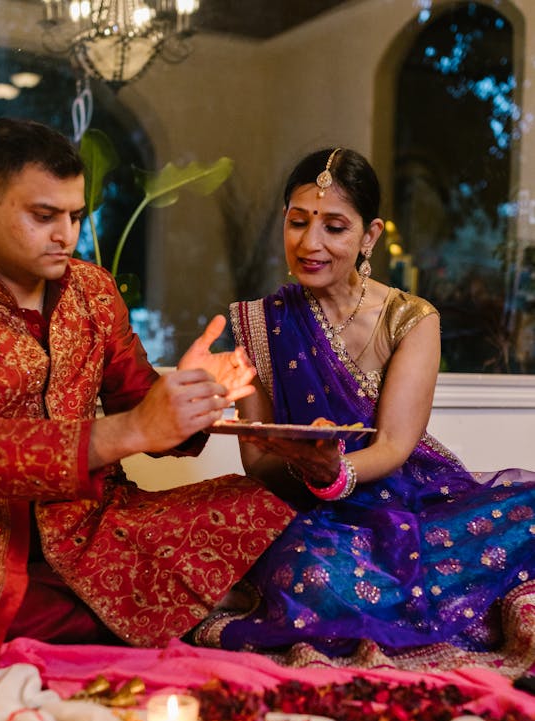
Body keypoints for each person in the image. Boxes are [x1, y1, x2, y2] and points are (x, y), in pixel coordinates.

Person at [0, 118, 339, 670]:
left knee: (256, 507)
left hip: (95, 522)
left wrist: (197, 398)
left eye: (75, 216)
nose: (66, 235)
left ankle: (60, 621)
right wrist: (130, 429)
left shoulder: (94, 290)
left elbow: (140, 401)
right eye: (43, 216)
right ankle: (145, 617)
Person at [193, 147, 535, 674]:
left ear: (369, 235)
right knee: (317, 576)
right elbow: (256, 464)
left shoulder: (410, 319)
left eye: (334, 226)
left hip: (407, 499)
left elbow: (397, 445)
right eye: (298, 222)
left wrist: (338, 471)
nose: (311, 244)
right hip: (309, 515)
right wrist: (305, 464)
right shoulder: (259, 323)